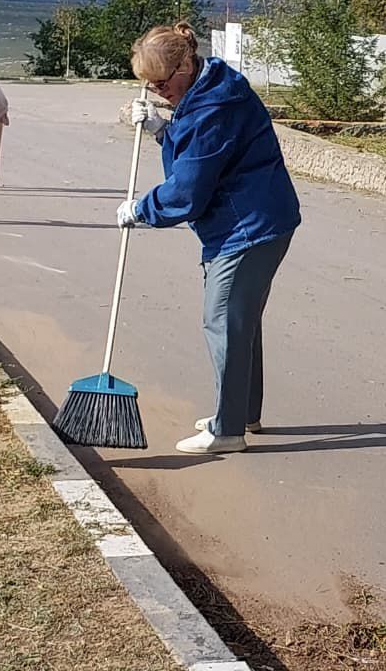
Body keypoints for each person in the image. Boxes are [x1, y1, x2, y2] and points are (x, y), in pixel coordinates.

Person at [116, 22, 301, 455]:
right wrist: (164, 129)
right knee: (241, 320)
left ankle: (227, 430)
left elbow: (188, 191)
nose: (159, 91)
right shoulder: (210, 85)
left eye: (163, 82)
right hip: (259, 221)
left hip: (247, 228)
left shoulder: (212, 106)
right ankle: (242, 412)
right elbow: (199, 149)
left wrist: (142, 210)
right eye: (150, 85)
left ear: (184, 64)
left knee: (223, 322)